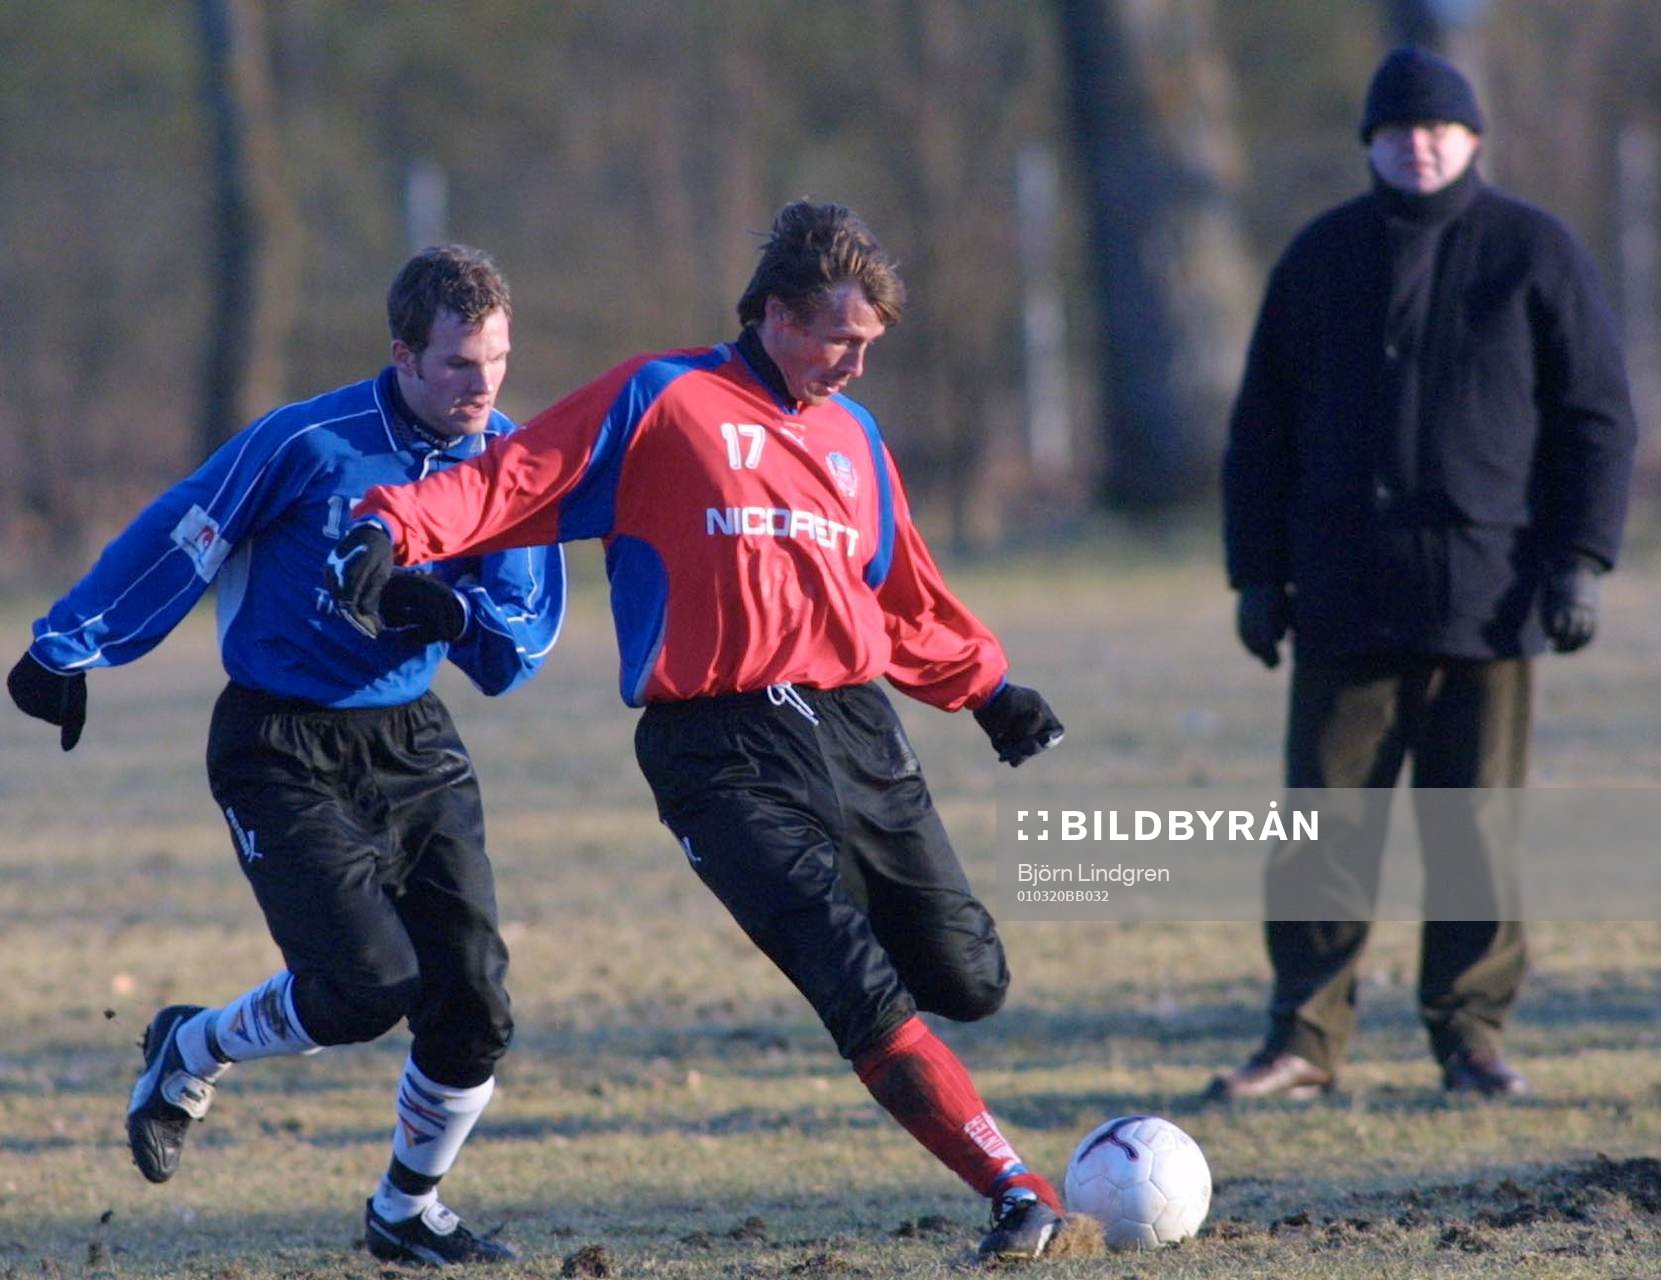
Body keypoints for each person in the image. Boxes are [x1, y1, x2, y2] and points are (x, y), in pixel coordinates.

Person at [326, 200, 1070, 1262]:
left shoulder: (854, 437)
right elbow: (505, 478)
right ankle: (1015, 1189)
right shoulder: (660, 398)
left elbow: (898, 593)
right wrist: (387, 526)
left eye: (869, 345)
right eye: (839, 338)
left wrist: (987, 688)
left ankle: (930, 1054)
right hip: (716, 749)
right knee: (848, 977)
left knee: (968, 979)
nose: (856, 364)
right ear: (776, 314)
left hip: (854, 731)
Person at [7, 245, 564, 1265]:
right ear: (403, 354)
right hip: (278, 741)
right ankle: (191, 1045)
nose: (481, 385)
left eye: (496, 360)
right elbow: (185, 529)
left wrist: (453, 614)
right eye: (457, 363)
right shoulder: (308, 441)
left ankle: (405, 1209)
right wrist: (69, 643)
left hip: (412, 741)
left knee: (476, 1002)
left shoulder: (509, 461)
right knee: (366, 985)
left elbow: (517, 647)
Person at [1214, 47, 1637, 1101]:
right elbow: (1259, 427)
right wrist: (1256, 574)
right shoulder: (1319, 257)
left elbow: (1595, 419)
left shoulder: (1533, 251)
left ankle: (1472, 1036)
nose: (1417, 144)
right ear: (1368, 142)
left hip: (1485, 594)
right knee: (1320, 829)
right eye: (1397, 129)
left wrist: (1579, 559)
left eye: (1438, 128)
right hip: (1342, 593)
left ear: (1472, 138)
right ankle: (1303, 1038)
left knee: (1473, 833)